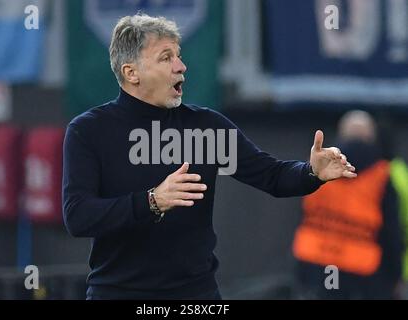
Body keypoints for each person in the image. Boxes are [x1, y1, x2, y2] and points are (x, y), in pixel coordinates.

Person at [62, 14, 356, 300]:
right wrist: (152, 201)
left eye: (178, 55)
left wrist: (311, 172)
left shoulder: (206, 126)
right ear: (131, 73)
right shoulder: (89, 131)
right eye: (166, 58)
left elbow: (273, 176)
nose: (181, 66)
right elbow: (78, 216)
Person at [292, 110, 404, 299]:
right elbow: (391, 230)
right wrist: (395, 274)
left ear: (341, 134)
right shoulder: (382, 174)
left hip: (318, 262)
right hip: (362, 268)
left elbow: (304, 212)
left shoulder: (319, 167)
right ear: (371, 137)